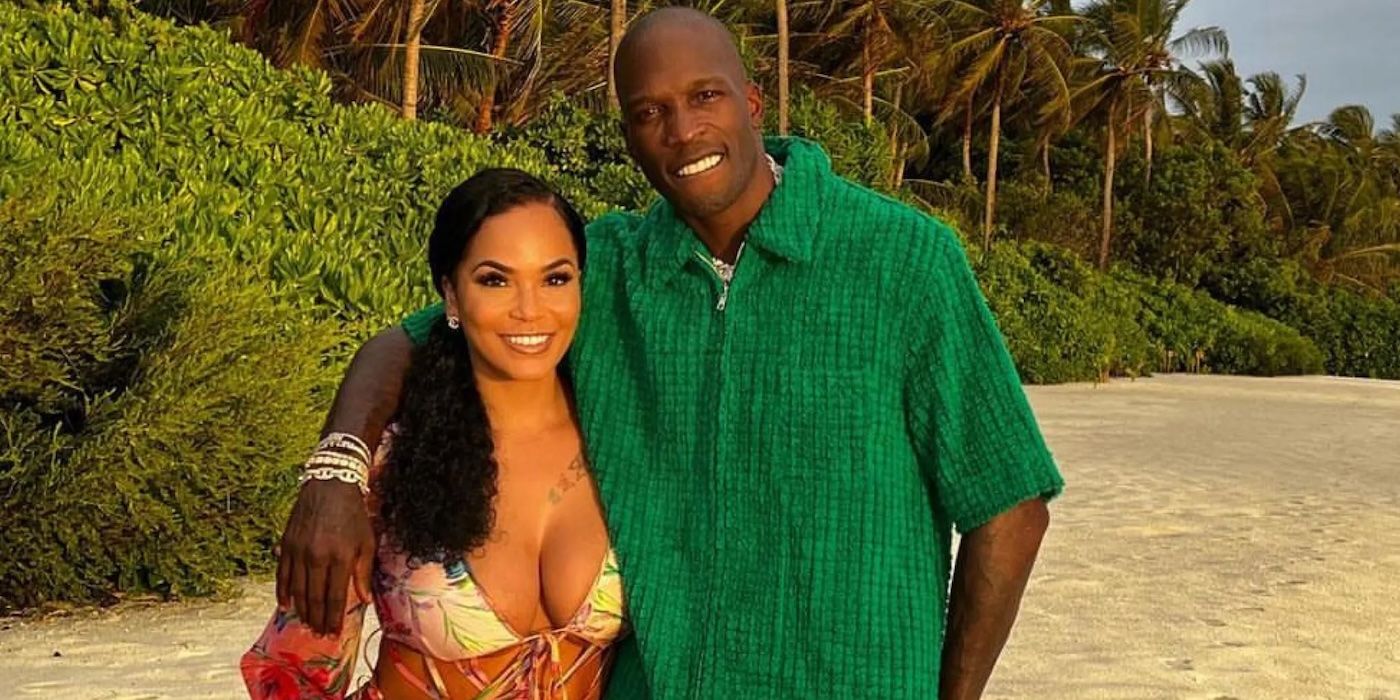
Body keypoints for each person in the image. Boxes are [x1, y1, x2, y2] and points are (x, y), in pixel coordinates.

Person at [277, 8, 1064, 698]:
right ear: (627, 138)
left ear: (752, 103)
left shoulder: (903, 259)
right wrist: (336, 471)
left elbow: (1009, 503)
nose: (683, 131)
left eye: (705, 97)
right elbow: (413, 339)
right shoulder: (603, 270)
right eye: (650, 112)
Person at [242, 169, 627, 698]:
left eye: (555, 278)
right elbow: (297, 671)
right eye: (495, 279)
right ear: (450, 294)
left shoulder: (623, 444)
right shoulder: (388, 465)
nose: (530, 309)